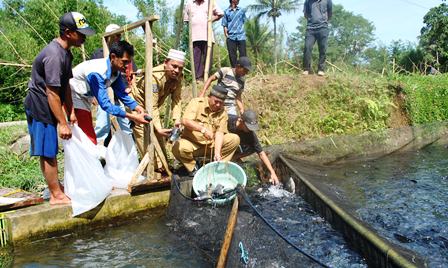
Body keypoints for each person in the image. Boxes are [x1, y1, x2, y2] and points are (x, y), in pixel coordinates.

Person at [24, 12, 95, 205]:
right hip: (40, 105)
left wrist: (71, 111)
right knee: (48, 150)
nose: (84, 37)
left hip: (51, 102)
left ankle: (57, 189)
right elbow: (52, 93)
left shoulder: (66, 53)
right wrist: (62, 123)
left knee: (51, 148)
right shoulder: (54, 55)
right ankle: (56, 195)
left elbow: (65, 87)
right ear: (67, 33)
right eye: (80, 33)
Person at [69, 40, 150, 144]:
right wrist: (133, 117)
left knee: (85, 135)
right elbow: (105, 105)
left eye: (128, 62)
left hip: (84, 96)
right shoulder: (97, 72)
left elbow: (122, 94)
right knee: (88, 138)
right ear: (113, 57)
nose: (126, 66)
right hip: (73, 95)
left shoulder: (115, 71)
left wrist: (137, 107)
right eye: (124, 61)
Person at [132, 49, 185, 171]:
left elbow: (176, 99)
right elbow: (152, 105)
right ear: (165, 62)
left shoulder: (178, 77)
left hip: (152, 109)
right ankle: (153, 170)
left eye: (180, 68)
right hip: (137, 108)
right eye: (174, 66)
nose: (177, 70)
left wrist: (177, 119)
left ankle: (163, 167)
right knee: (146, 143)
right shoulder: (154, 76)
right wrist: (158, 128)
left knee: (161, 148)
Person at [172, 85, 240, 176]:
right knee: (178, 148)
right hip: (193, 144)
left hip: (211, 145)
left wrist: (217, 152)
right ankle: (193, 168)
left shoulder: (222, 112)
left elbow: (220, 132)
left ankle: (218, 167)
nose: (218, 105)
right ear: (209, 97)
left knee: (234, 139)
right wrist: (203, 130)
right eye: (216, 102)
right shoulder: (196, 103)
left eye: (221, 103)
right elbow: (185, 121)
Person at [91, 24, 135, 146]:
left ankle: (128, 152)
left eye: (119, 35)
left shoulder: (124, 53)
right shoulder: (98, 55)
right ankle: (98, 154)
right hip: (103, 94)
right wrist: (94, 95)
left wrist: (131, 89)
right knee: (102, 126)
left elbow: (132, 73)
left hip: (120, 94)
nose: (117, 38)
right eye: (114, 35)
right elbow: (94, 80)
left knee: (126, 125)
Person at [228, 110, 279, 185]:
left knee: (253, 148)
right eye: (248, 127)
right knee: (233, 138)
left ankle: (235, 157)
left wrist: (272, 172)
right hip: (222, 142)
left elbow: (261, 153)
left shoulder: (250, 134)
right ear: (241, 120)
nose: (250, 130)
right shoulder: (228, 120)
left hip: (236, 148)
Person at [183, 0, 223, 81]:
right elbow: (186, 20)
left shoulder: (210, 2)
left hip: (207, 36)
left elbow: (220, 13)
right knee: (196, 58)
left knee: (208, 58)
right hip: (195, 36)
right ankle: (198, 78)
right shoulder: (189, 3)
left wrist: (211, 19)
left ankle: (207, 77)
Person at [302, 0, 332, 76]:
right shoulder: (308, 1)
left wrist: (323, 20)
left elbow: (330, 13)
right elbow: (306, 14)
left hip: (323, 28)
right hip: (310, 28)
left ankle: (321, 69)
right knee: (307, 47)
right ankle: (306, 69)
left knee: (323, 48)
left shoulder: (327, 1)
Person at [222, 0, 247, 68]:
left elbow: (244, 21)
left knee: (243, 55)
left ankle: (242, 71)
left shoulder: (241, 10)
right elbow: (224, 24)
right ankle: (235, 71)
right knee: (232, 55)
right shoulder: (226, 11)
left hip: (241, 36)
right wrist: (226, 34)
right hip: (231, 36)